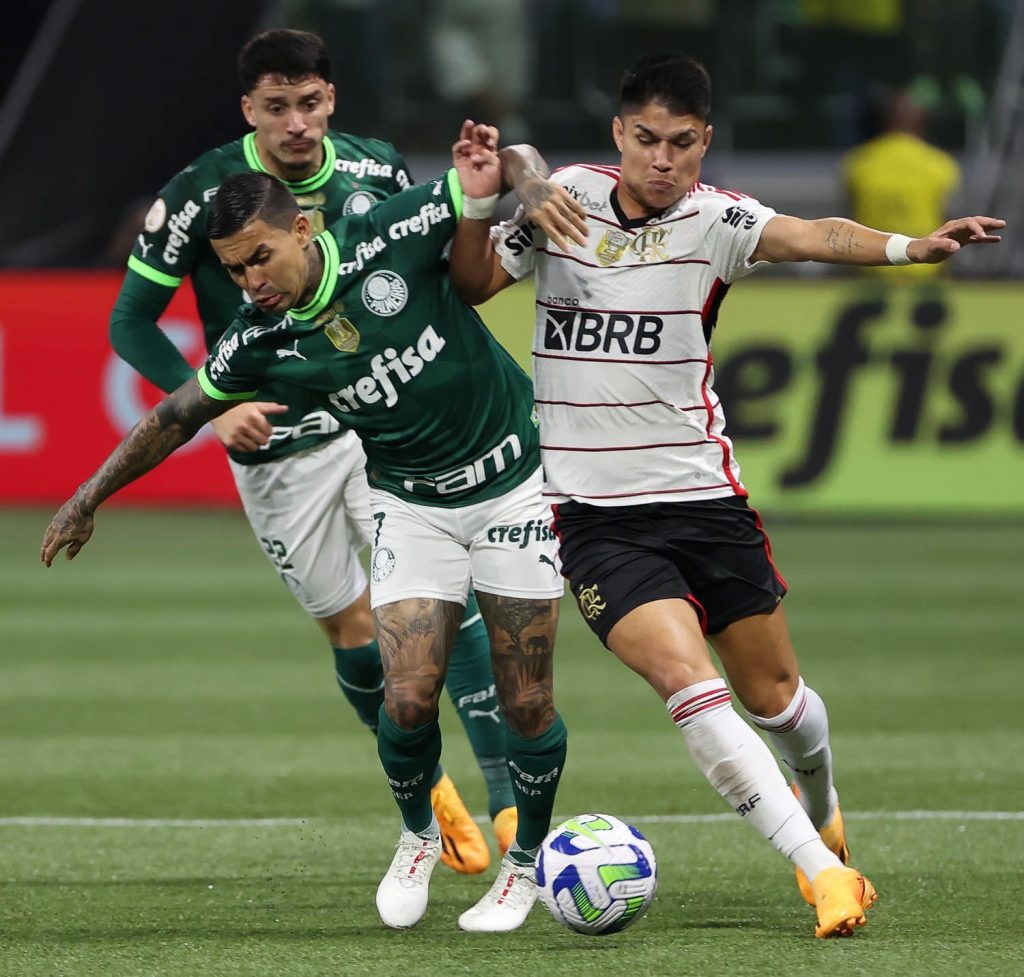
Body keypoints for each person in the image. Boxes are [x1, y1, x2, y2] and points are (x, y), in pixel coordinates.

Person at [448, 52, 1004, 938]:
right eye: (646, 140)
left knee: (778, 699)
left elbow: (816, 235)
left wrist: (911, 247)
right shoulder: (565, 204)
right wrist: (507, 185)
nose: (663, 160)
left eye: (682, 144)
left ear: (704, 143)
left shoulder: (719, 221)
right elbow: (474, 283)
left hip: (704, 500)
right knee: (685, 680)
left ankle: (822, 806)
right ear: (619, 135)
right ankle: (824, 873)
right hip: (592, 517)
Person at [42, 126, 586, 933]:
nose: (250, 281)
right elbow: (174, 416)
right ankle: (417, 835)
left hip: (513, 484)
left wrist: (533, 179)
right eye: (232, 269)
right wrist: (88, 494)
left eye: (260, 257)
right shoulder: (258, 339)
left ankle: (521, 867)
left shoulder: (390, 230)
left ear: (303, 229)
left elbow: (498, 167)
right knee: (404, 699)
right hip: (410, 503)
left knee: (529, 699)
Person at [108, 28, 514, 874]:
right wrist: (214, 412)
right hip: (273, 458)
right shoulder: (198, 194)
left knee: (446, 600)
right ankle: (431, 792)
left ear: (331, 98)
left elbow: (429, 274)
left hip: (371, 433)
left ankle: (509, 798)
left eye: (310, 102)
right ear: (248, 110)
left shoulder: (372, 168)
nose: (296, 122)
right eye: (276, 107)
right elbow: (129, 324)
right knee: (352, 626)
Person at [843, 86, 961, 280]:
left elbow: (847, 219)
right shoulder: (941, 165)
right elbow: (949, 222)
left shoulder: (859, 162)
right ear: (922, 121)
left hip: (872, 267)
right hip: (924, 269)